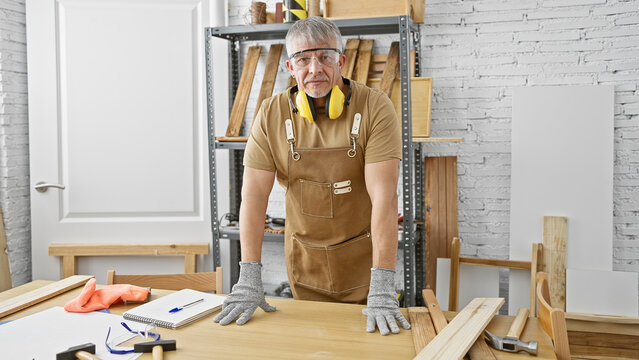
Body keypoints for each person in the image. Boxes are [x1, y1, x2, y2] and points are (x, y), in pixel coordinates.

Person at [213, 16, 410, 336]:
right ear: (290, 68)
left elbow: (385, 199)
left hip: (364, 268)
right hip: (304, 267)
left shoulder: (375, 106)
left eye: (325, 57)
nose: (314, 68)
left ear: (341, 62)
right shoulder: (271, 113)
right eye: (303, 59)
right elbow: (252, 198)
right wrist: (249, 277)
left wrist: (383, 286)